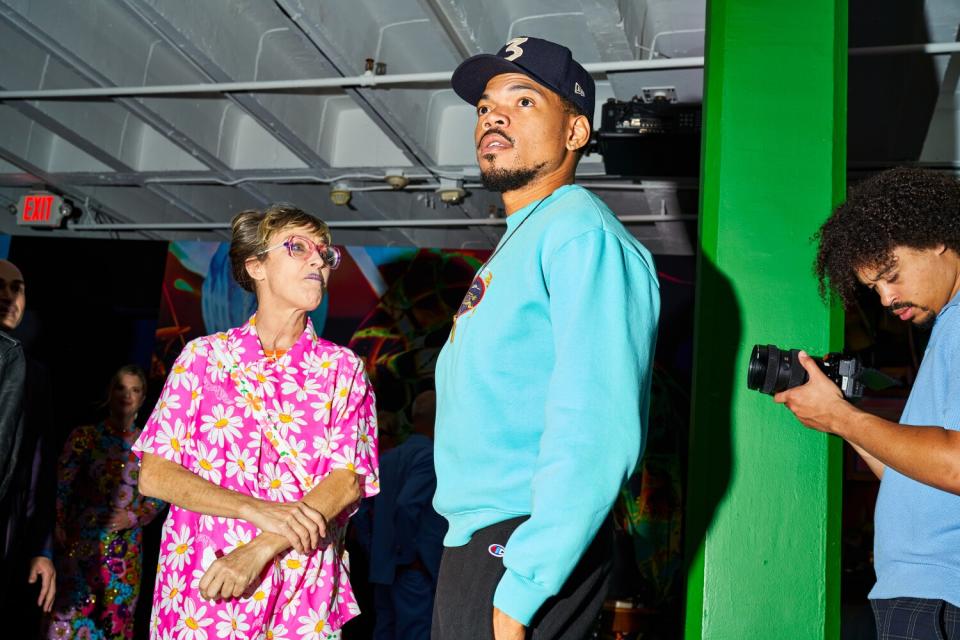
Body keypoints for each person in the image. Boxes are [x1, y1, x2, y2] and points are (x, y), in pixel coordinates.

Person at [433, 37, 661, 640]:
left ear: (576, 132)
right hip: (487, 540)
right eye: (484, 106)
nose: (494, 116)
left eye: (524, 100)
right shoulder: (523, 240)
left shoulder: (579, 231)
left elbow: (599, 420)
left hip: (523, 541)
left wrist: (527, 583)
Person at [134, 204, 379, 640]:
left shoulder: (344, 369)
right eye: (298, 247)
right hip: (204, 589)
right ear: (256, 266)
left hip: (301, 595)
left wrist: (260, 547)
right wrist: (254, 510)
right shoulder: (203, 359)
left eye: (325, 253)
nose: (318, 260)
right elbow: (155, 476)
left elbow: (348, 480)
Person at [776, 168, 960, 639]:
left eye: (891, 276)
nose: (886, 298)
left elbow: (956, 465)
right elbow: (915, 476)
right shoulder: (947, 330)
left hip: (937, 599)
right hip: (924, 595)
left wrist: (844, 415)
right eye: (874, 288)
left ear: (938, 238)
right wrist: (839, 420)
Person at [43, 365, 166, 639]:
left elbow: (161, 496)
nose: (127, 395)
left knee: (115, 625)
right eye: (120, 387)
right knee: (65, 622)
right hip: (81, 547)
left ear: (144, 399)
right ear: (109, 392)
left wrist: (133, 517)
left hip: (125, 554)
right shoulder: (85, 437)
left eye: (135, 390)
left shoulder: (151, 446)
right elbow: (60, 487)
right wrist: (58, 527)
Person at [0, 259, 57, 623]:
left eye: (16, 288)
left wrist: (41, 547)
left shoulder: (30, 370)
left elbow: (38, 466)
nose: (8, 296)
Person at [369, 390, 446, 639]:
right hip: (412, 568)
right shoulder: (430, 456)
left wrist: (376, 549)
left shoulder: (388, 459)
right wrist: (410, 557)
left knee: (385, 630)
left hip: (384, 568)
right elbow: (406, 505)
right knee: (416, 632)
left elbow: (362, 513)